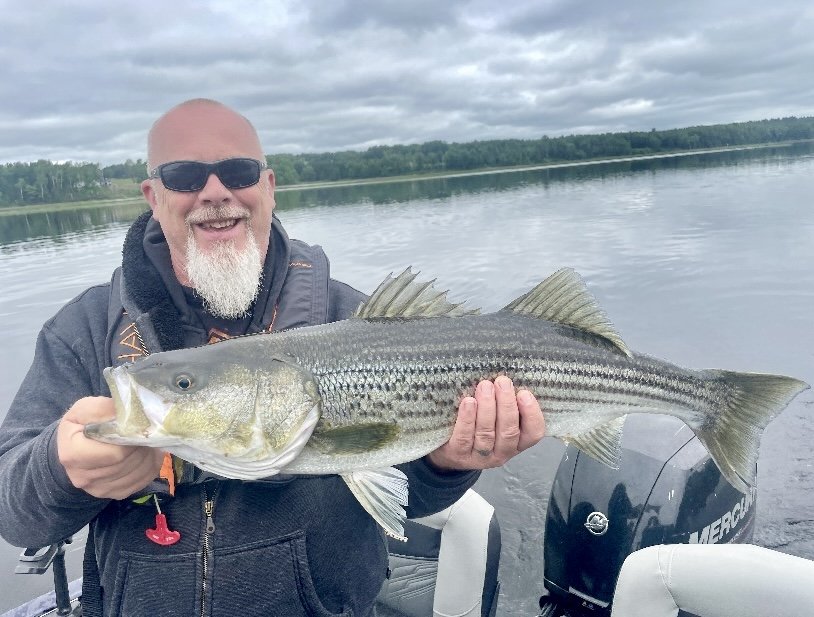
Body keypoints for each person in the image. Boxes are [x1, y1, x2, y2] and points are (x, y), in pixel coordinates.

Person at [0, 99, 545, 616]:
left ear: (268, 187)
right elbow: (14, 512)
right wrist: (60, 469)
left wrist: (446, 463)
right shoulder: (88, 330)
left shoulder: (354, 320)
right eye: (186, 176)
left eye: (237, 171)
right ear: (153, 196)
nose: (215, 192)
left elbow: (404, 494)